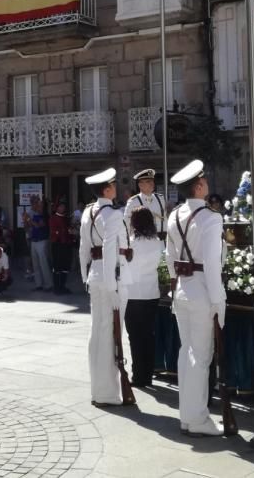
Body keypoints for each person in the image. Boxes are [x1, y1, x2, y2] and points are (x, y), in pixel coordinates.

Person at [165, 159, 226, 436]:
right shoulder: (212, 218)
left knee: (185, 352)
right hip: (202, 291)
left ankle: (187, 416)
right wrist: (219, 299)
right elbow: (213, 263)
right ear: (199, 186)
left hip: (181, 290)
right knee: (200, 356)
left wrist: (175, 283)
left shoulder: (173, 215)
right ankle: (198, 418)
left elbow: (168, 258)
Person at [80, 167, 131, 407]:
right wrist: (112, 286)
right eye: (113, 185)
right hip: (111, 278)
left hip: (95, 274)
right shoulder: (112, 214)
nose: (116, 188)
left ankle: (98, 389)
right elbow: (111, 250)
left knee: (97, 332)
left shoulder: (88, 212)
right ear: (107, 189)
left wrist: (84, 276)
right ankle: (108, 393)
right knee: (111, 334)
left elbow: (83, 249)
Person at [124, 207, 163, 388]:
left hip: (132, 293)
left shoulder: (130, 242)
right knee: (148, 334)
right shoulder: (157, 243)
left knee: (135, 336)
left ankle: (138, 374)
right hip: (151, 293)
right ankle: (148, 373)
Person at [124, 169, 166, 241]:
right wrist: (129, 241)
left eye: (152, 181)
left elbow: (165, 218)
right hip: (143, 241)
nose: (152, 184)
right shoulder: (133, 201)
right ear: (140, 185)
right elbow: (127, 223)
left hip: (162, 239)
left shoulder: (160, 198)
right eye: (148, 182)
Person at [26, 195, 52, 291]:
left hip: (42, 240)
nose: (36, 205)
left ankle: (48, 284)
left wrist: (29, 219)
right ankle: (39, 284)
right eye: (34, 203)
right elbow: (28, 226)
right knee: (36, 263)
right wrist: (27, 221)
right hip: (34, 240)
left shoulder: (44, 214)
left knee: (43, 262)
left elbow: (39, 225)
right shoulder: (32, 213)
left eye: (37, 203)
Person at [49, 198, 74, 294]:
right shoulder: (53, 218)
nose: (62, 208)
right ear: (57, 208)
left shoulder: (66, 218)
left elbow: (69, 230)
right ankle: (57, 288)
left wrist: (71, 232)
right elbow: (54, 232)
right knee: (57, 267)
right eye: (60, 206)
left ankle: (63, 286)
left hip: (66, 245)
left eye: (63, 206)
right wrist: (65, 231)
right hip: (58, 245)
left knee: (65, 267)